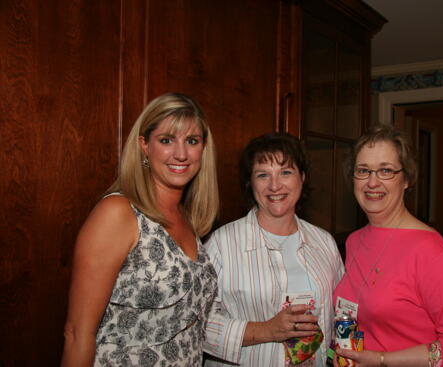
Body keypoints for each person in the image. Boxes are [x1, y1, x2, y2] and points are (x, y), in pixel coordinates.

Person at [61, 93, 219, 366]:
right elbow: (77, 333)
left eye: (192, 141)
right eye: (166, 140)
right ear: (144, 146)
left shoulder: (187, 219)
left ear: (203, 149)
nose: (181, 153)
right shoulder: (118, 214)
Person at [332, 124, 443, 367]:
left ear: (407, 179)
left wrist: (383, 359)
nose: (372, 182)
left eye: (386, 171)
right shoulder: (355, 241)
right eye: (363, 170)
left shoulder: (435, 254)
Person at [203, 133, 345, 367]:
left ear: (302, 177)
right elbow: (196, 323)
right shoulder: (221, 244)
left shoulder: (324, 242)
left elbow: (338, 315)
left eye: (285, 172)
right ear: (251, 183)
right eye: (263, 175)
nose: (275, 185)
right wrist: (266, 330)